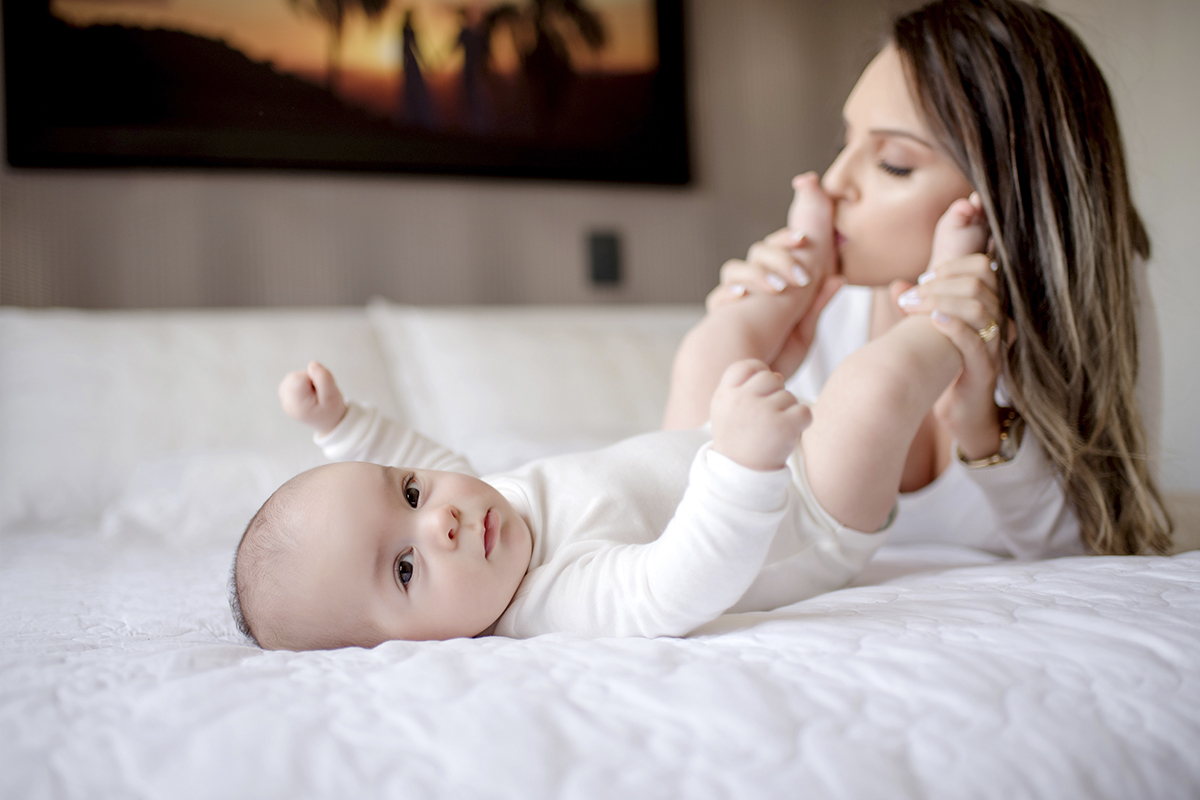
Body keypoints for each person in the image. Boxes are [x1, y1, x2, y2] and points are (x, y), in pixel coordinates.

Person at [228, 200, 986, 651]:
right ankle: (953, 304)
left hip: (712, 455)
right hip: (806, 514)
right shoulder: (552, 599)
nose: (441, 524)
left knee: (710, 344)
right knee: (873, 386)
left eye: (414, 495)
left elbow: (406, 455)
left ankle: (811, 260)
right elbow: (676, 586)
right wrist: (745, 465)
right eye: (403, 569)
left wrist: (338, 424)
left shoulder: (479, 512)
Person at [687, 0, 1172, 558]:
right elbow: (691, 538)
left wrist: (983, 428)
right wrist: (733, 343)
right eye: (845, 143)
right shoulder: (812, 301)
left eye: (893, 162)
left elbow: (1103, 556)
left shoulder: (1086, 301)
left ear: (1007, 196)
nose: (834, 182)